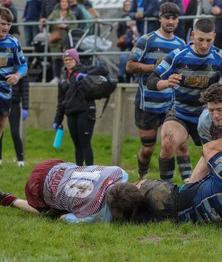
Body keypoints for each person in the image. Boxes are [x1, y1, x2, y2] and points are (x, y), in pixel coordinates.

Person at [146, 18, 222, 183]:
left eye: (208, 40)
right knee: (168, 143)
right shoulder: (178, 55)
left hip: (209, 115)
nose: (204, 45)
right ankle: (166, 189)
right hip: (180, 113)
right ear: (192, 35)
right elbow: (151, 80)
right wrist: (166, 82)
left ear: (214, 37)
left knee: (218, 153)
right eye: (200, 40)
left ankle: (211, 187)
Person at [108, 136, 222, 224]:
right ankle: (118, 214)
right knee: (138, 218)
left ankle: (108, 204)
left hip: (174, 199)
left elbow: (208, 149)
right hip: (182, 219)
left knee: (134, 189)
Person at [126, 2, 189, 182]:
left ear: (178, 20)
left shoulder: (181, 44)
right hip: (148, 104)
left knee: (181, 145)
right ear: (160, 18)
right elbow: (129, 66)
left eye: (174, 18)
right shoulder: (147, 40)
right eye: (167, 18)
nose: (170, 21)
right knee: (147, 149)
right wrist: (154, 68)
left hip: (171, 105)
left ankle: (188, 185)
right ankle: (141, 179)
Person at [0, 159, 145, 223]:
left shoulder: (120, 173)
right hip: (39, 187)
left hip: (54, 167)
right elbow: (63, 219)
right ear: (117, 210)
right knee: (51, 214)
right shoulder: (96, 216)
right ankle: (10, 200)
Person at [53, 49, 109, 166]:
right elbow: (61, 101)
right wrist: (57, 120)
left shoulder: (84, 69)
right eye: (65, 60)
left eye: (70, 59)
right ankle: (78, 170)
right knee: (77, 144)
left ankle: (89, 171)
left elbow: (103, 70)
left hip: (85, 112)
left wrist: (86, 75)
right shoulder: (63, 77)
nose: (68, 62)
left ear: (76, 60)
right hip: (71, 113)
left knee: (85, 143)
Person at [0, 7, 28, 139]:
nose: (5, 27)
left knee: (1, 127)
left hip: (5, 92)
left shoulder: (13, 43)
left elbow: (23, 65)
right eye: (2, 24)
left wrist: (17, 75)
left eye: (8, 24)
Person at [43, 0, 77, 84]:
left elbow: (75, 27)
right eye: (62, 2)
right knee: (56, 59)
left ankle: (65, 76)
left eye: (66, 2)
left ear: (69, 4)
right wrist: (45, 21)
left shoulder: (71, 14)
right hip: (55, 40)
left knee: (66, 59)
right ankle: (56, 77)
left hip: (65, 40)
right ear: (60, 3)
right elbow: (49, 22)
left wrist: (66, 26)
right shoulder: (55, 13)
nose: (64, 3)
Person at [0, 76, 29, 167]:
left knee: (15, 132)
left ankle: (20, 160)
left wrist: (25, 107)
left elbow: (25, 90)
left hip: (14, 104)